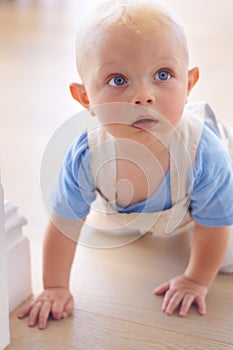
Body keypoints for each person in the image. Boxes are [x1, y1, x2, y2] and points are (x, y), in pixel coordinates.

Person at [18, 0, 233, 329]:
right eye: (118, 80)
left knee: (225, 257)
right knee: (116, 223)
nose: (144, 95)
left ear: (189, 84)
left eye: (163, 75)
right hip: (132, 206)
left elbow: (214, 226)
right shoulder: (87, 156)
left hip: (200, 201)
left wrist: (195, 280)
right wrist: (55, 287)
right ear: (85, 98)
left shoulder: (204, 153)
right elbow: (65, 224)